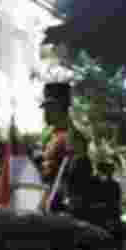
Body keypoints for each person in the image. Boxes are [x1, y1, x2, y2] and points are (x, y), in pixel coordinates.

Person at [38, 82, 91, 212]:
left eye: (49, 108)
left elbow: (77, 176)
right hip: (48, 201)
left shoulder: (73, 137)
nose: (45, 113)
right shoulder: (51, 136)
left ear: (60, 107)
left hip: (62, 207)